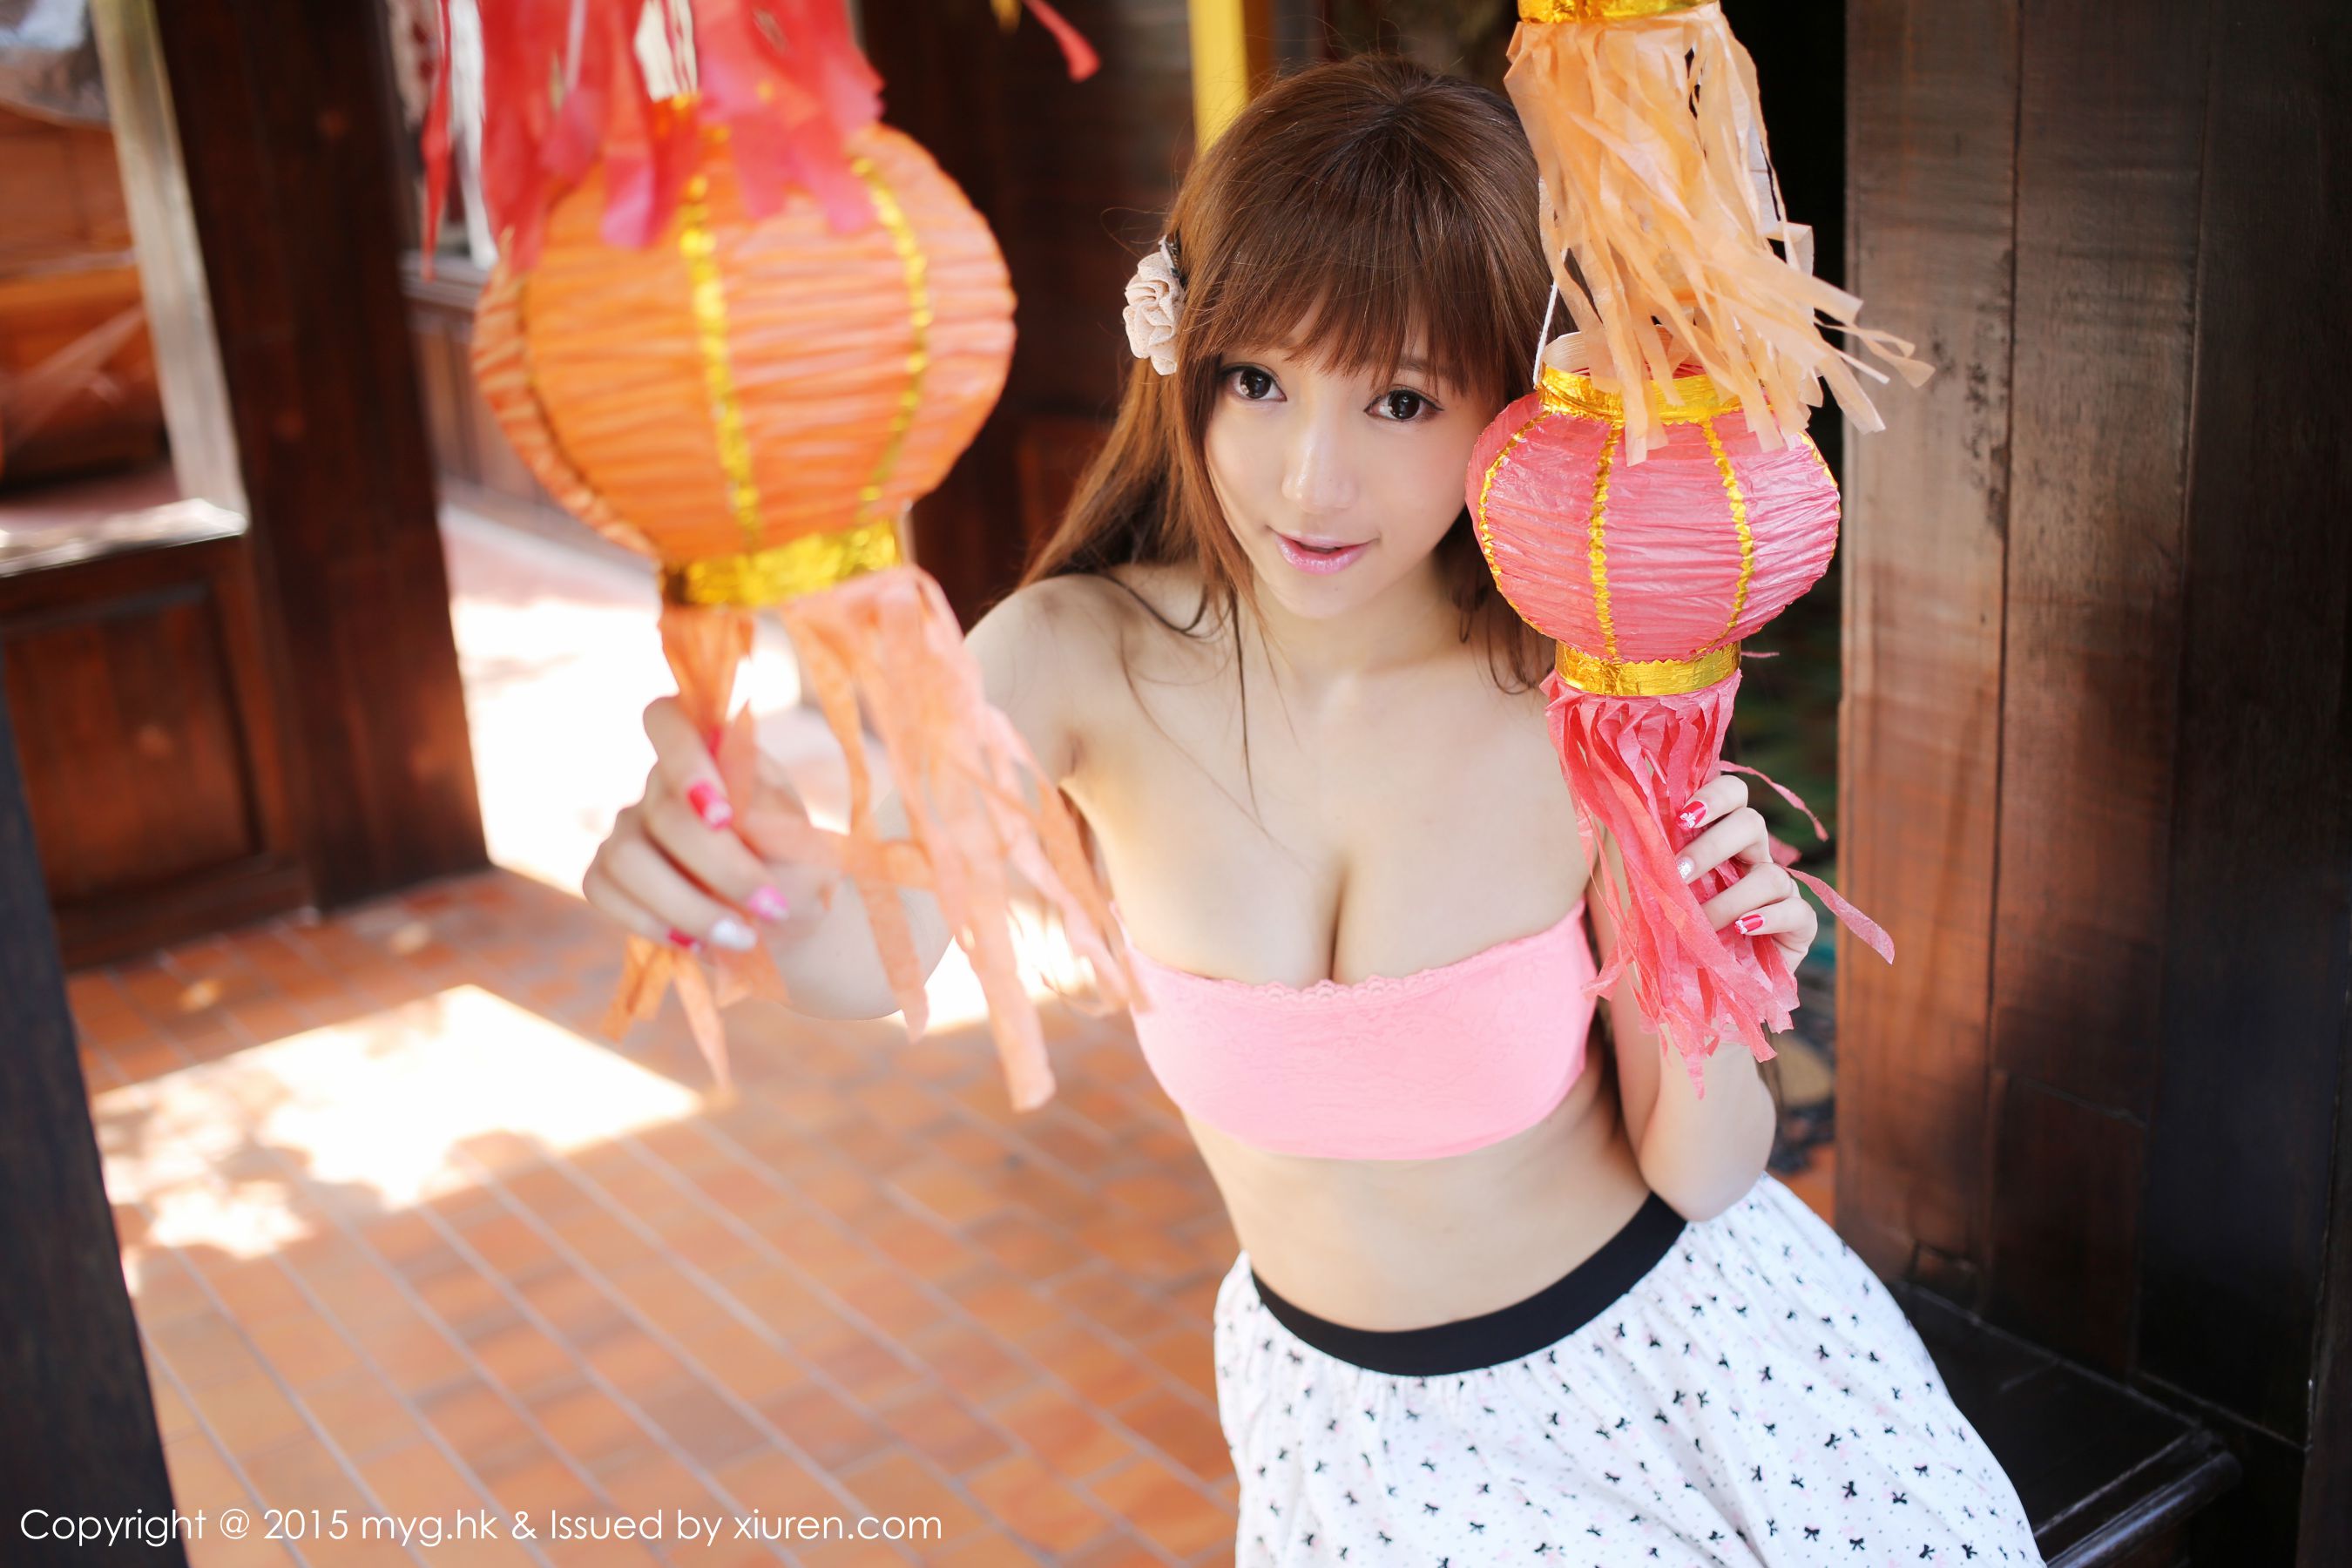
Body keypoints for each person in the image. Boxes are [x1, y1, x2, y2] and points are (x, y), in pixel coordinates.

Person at [580, 53, 2043, 1568]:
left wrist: (1718, 969)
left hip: (1683, 1366)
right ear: (1185, 362)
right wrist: (751, 883)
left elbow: (1705, 1171)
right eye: (1258, 381)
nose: (1310, 479)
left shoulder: (1577, 691)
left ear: (1508, 404)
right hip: (1353, 1436)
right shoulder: (1074, 659)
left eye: (1400, 399)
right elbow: (867, 952)